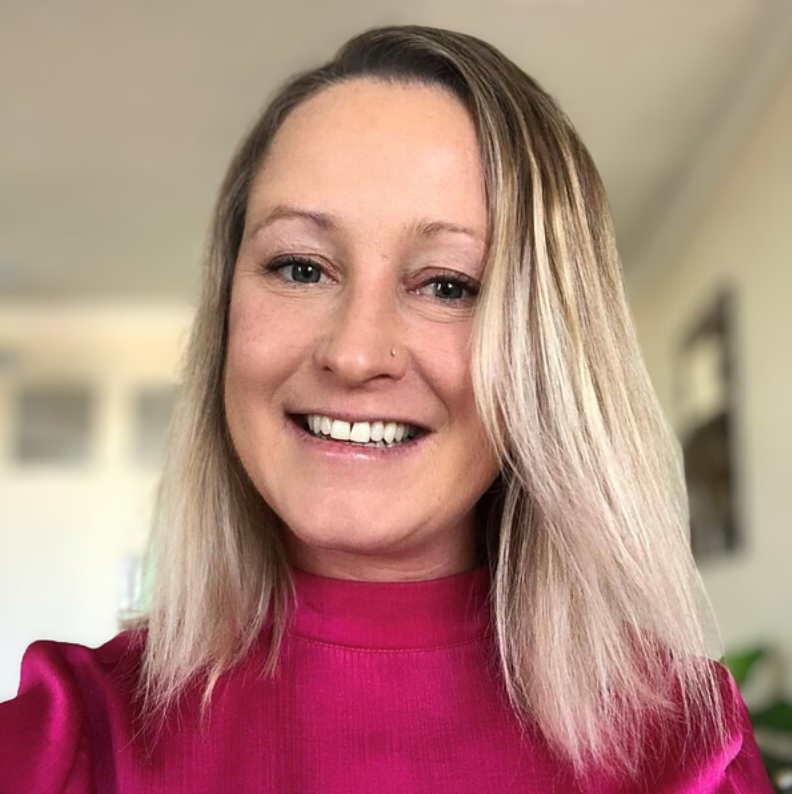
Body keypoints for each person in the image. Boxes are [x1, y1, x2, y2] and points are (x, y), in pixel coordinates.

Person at [0, 24, 775, 794]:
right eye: (301, 267)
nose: (356, 353)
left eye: (447, 285)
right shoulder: (66, 740)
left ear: (549, 356)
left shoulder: (685, 749)